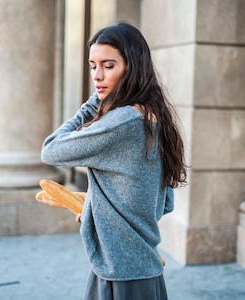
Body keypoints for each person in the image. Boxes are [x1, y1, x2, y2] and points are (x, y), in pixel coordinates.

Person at [41, 22, 187, 300]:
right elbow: (164, 203)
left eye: (109, 66)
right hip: (143, 270)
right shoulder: (154, 116)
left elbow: (50, 150)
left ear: (132, 67)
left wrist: (92, 105)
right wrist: (101, 212)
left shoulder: (121, 122)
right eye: (93, 65)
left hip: (120, 274)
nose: (98, 76)